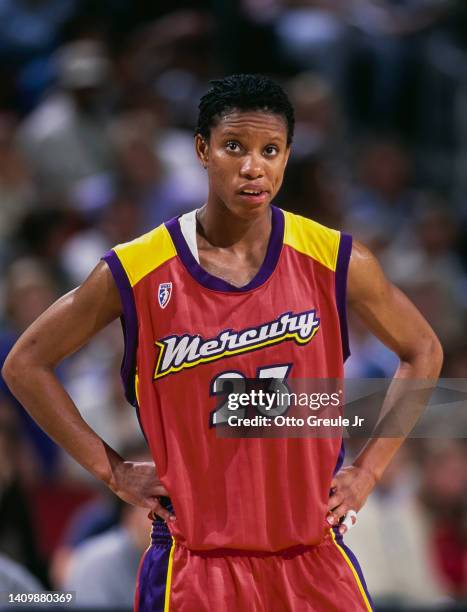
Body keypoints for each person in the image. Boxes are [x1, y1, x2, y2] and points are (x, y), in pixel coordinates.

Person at [2, 74, 443, 611]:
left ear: (286, 158)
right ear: (202, 150)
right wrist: (112, 470)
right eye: (234, 147)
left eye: (271, 150)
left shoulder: (335, 259)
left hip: (314, 558)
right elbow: (25, 364)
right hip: (196, 566)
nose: (253, 166)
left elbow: (423, 349)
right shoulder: (136, 268)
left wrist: (369, 470)